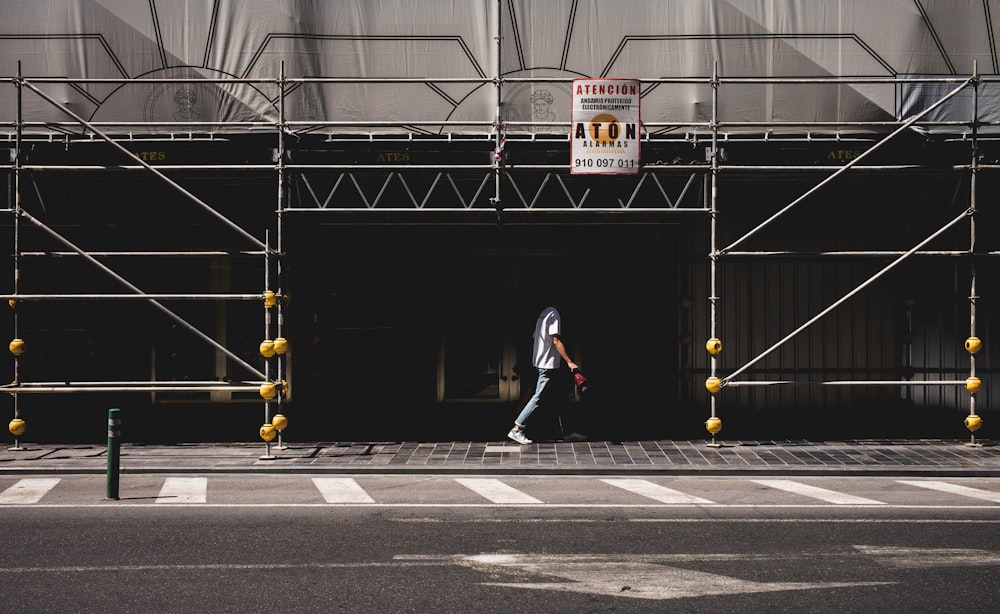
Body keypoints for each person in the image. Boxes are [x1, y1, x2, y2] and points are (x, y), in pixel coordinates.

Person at [507, 305, 577, 445]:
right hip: (548, 364)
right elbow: (555, 340)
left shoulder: (543, 314)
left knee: (559, 397)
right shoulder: (553, 314)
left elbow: (534, 340)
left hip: (542, 363)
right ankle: (517, 428)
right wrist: (569, 361)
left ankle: (567, 431)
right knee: (538, 397)